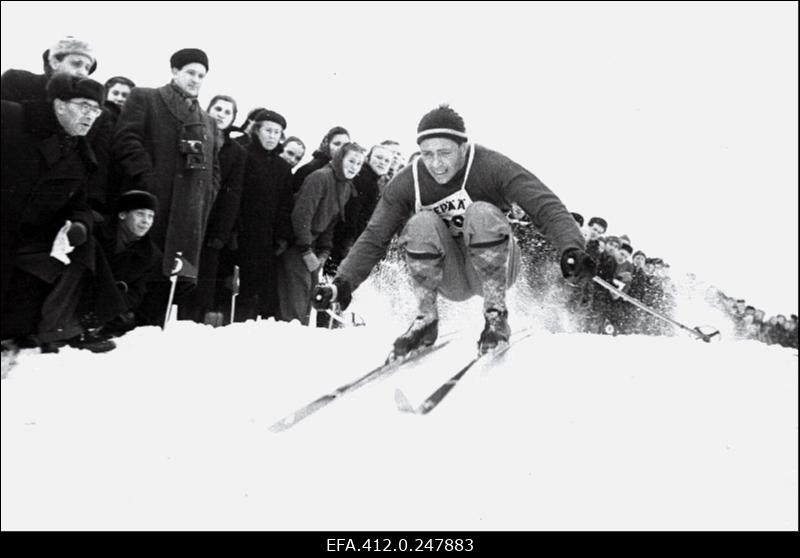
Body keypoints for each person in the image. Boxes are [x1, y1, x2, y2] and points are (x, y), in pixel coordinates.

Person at [311, 105, 593, 356]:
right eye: (427, 154)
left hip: (498, 267)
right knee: (419, 223)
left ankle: (496, 316)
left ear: (463, 147)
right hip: (452, 277)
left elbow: (543, 203)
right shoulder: (410, 180)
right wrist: (342, 283)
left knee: (481, 212)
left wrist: (571, 247)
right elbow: (375, 235)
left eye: (444, 153)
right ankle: (426, 319)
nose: (436, 164)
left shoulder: (490, 165)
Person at [1, 73, 111, 353]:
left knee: (86, 247)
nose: (90, 115)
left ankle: (61, 328)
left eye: (96, 109)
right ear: (60, 105)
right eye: (84, 105)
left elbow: (80, 205)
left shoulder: (81, 156)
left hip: (28, 237)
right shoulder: (16, 118)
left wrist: (77, 226)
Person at [112, 48, 221, 325]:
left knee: (170, 280)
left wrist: (207, 194)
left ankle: (151, 332)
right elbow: (126, 139)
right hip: (149, 207)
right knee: (137, 271)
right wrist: (148, 179)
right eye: (190, 73)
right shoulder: (147, 98)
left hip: (187, 217)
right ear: (174, 71)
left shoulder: (207, 121)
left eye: (201, 75)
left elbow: (214, 166)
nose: (196, 79)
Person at [279, 142, 366, 324]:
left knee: (311, 295)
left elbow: (332, 221)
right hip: (297, 244)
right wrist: (306, 251)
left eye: (358, 164)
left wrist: (324, 251)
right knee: (297, 297)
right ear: (340, 159)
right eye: (351, 161)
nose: (354, 167)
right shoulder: (320, 178)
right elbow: (301, 216)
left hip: (314, 246)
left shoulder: (346, 186)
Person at [181, 95, 247, 324]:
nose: (221, 114)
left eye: (227, 112)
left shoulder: (237, 152)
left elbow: (233, 195)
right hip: (187, 219)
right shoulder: (193, 135)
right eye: (217, 108)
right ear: (208, 109)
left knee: (204, 281)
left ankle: (196, 324)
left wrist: (222, 232)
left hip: (213, 224)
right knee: (181, 277)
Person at [236, 110, 294, 321]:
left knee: (260, 290)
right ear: (257, 130)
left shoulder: (282, 167)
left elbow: (285, 205)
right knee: (238, 288)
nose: (272, 136)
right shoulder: (242, 155)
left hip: (266, 238)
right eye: (268, 130)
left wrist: (282, 236)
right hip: (241, 233)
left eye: (277, 132)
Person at [292, 126, 350, 192]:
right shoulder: (309, 170)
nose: (341, 148)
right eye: (337, 144)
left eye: (346, 145)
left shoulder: (347, 171)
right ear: (327, 144)